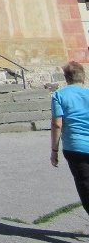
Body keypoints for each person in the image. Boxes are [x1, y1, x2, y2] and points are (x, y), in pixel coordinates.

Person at [51, 61, 89, 215]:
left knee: (85, 186)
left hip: (75, 147)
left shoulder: (59, 95)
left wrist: (54, 151)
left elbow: (57, 124)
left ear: (66, 78)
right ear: (84, 77)